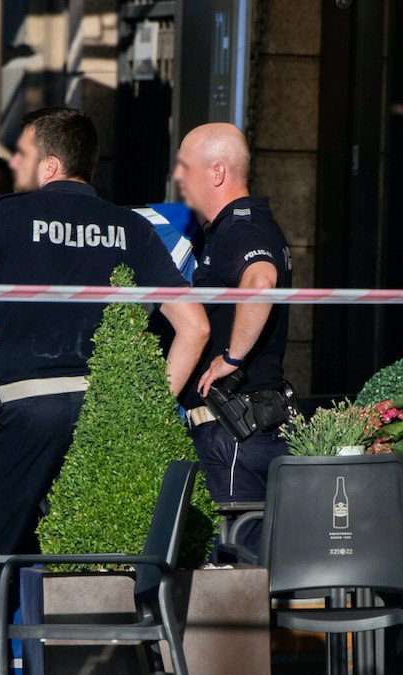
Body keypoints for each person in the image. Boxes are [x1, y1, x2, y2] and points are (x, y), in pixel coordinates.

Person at [0, 107, 210, 675]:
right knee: (84, 564)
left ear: (48, 164)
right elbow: (195, 327)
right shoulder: (130, 227)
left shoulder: (10, 215)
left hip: (26, 415)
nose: (12, 166)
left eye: (19, 155)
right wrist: (143, 411)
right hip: (101, 421)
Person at [171, 122, 293, 557]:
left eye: (185, 167)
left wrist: (232, 357)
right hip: (243, 428)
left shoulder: (241, 226)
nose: (178, 177)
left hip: (234, 430)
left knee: (241, 574)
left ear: (217, 171)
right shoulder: (228, 229)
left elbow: (261, 280)